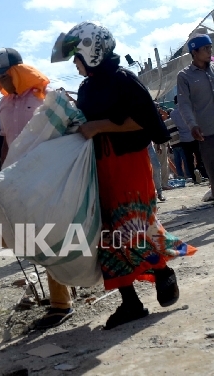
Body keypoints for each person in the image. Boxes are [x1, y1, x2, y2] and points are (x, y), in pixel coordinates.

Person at [51, 21, 196, 329]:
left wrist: (100, 126)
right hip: (101, 167)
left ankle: (161, 272)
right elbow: (91, 120)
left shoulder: (122, 80)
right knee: (108, 233)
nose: (75, 65)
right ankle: (130, 302)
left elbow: (144, 121)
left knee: (134, 225)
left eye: (76, 58)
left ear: (91, 53)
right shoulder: (88, 87)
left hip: (128, 163)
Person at [0, 46, 73, 330]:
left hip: (49, 174)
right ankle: (65, 290)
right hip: (20, 178)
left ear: (17, 72)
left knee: (51, 233)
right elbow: (7, 141)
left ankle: (61, 303)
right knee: (36, 236)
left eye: (5, 75)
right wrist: (3, 173)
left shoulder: (45, 97)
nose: (2, 82)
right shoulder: (4, 105)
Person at [176, 32, 214, 198]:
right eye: (206, 48)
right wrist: (192, 125)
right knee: (212, 167)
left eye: (210, 47)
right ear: (194, 52)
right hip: (206, 131)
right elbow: (184, 104)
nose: (209, 51)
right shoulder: (184, 76)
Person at [166, 103, 189, 181]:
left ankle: (180, 175)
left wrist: (169, 146)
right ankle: (188, 174)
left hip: (173, 144)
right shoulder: (175, 120)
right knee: (185, 159)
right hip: (180, 142)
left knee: (177, 161)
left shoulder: (165, 122)